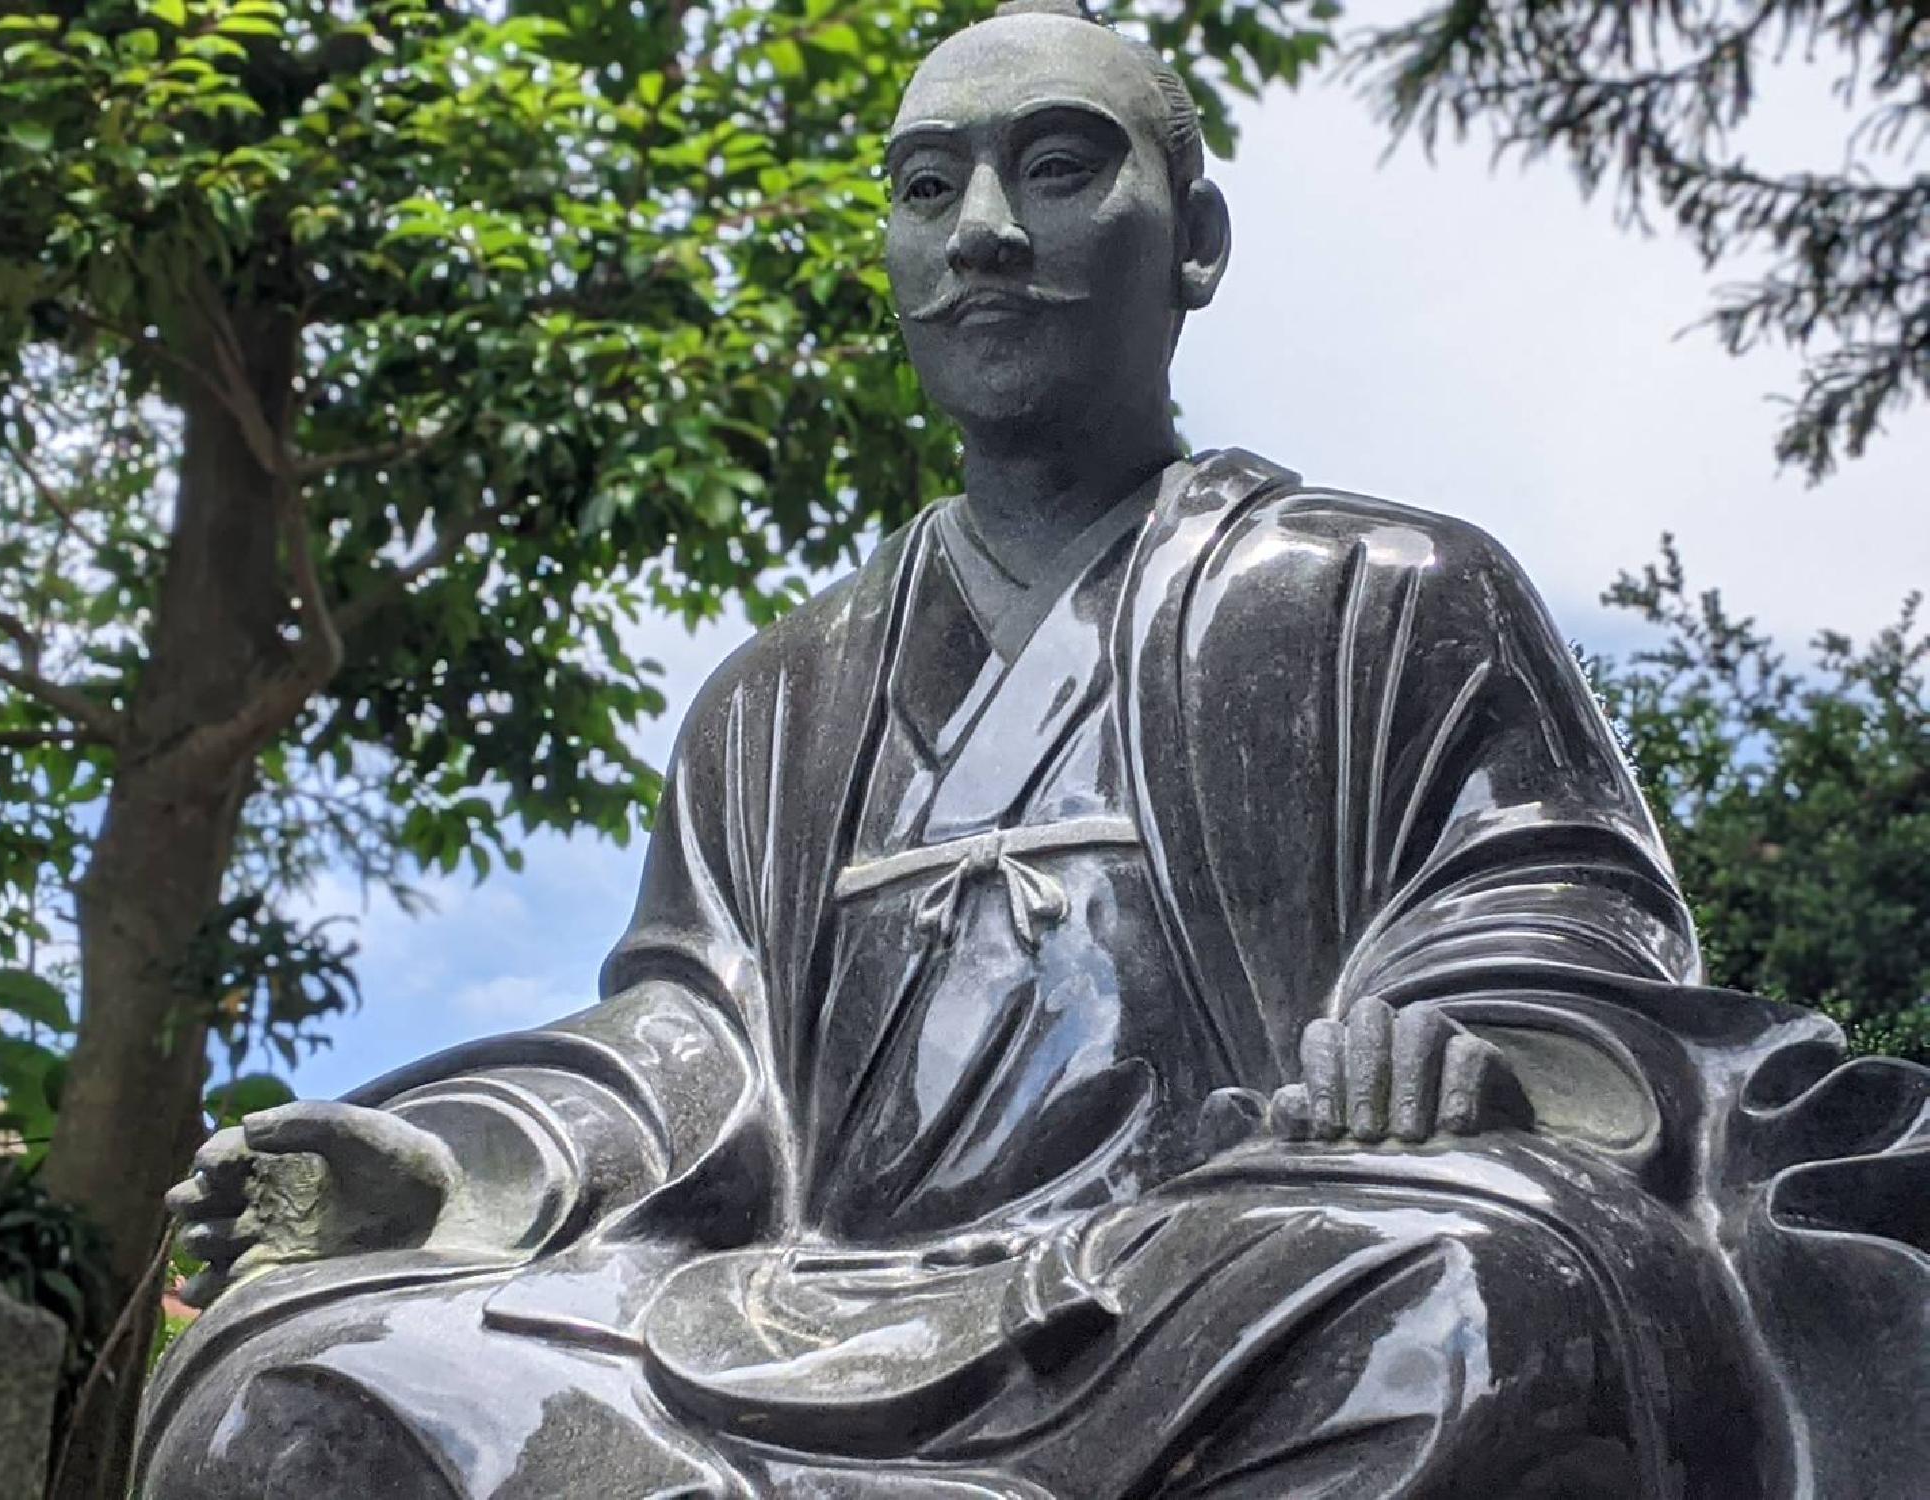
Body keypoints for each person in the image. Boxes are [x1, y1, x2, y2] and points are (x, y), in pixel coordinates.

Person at [141, 5, 1929, 1496]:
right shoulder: (773, 703)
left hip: (1209, 1270)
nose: (983, 225)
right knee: (299, 1368)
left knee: (1472, 1294)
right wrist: (453, 1171)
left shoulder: (1386, 589)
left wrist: (1452, 1042)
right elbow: (688, 1043)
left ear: (1196, 242)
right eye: (930, 188)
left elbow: (1545, 899)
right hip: (778, 1309)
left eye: (1058, 167)